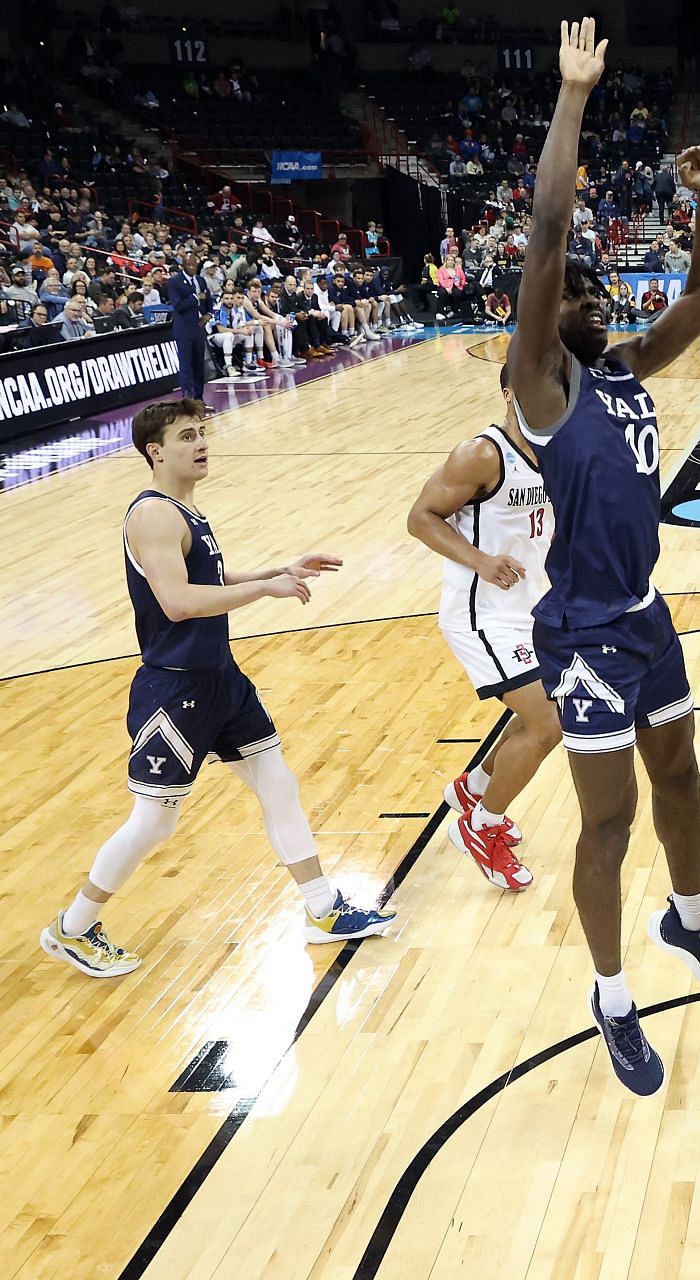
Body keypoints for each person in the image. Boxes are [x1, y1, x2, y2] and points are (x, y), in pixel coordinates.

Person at [505, 19, 700, 1099]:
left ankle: (690, 923)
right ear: (552, 319)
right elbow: (550, 230)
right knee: (611, 819)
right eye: (578, 296)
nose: (594, 301)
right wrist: (572, 96)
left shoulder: (627, 365)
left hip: (646, 612)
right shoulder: (541, 386)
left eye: (604, 293)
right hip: (585, 626)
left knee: (683, 775)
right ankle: (612, 998)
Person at [39, 400, 394, 978]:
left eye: (202, 432)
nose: (201, 443)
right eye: (186, 436)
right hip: (175, 690)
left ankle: (323, 909)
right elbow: (177, 603)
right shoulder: (153, 515)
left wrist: (274, 570)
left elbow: (206, 577)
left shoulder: (186, 509)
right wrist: (267, 593)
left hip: (219, 679)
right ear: (155, 450)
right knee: (155, 821)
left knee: (278, 783)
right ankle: (72, 927)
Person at [406, 363, 559, 893]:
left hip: (533, 608)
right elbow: (421, 516)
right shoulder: (481, 454)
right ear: (510, 391)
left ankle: (473, 790)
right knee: (547, 723)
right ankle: (481, 825)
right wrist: (479, 560)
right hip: (483, 613)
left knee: (536, 715)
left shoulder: (560, 451)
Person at [164, 253, 212, 398]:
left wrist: (208, 314)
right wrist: (195, 298)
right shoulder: (175, 282)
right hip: (184, 329)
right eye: (189, 265)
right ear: (182, 266)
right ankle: (187, 400)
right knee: (186, 366)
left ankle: (199, 399)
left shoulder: (201, 280)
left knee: (199, 365)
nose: (192, 267)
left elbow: (208, 300)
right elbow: (178, 305)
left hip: (199, 328)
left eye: (194, 264)